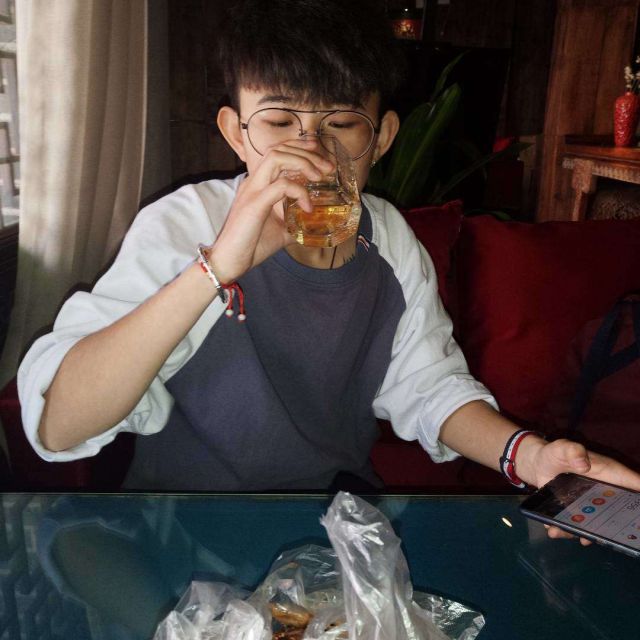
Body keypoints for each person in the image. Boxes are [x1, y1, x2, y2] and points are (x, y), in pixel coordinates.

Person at [17, 0, 640, 534]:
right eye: (279, 122)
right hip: (183, 521)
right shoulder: (185, 223)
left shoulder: (389, 241)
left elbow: (429, 387)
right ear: (236, 133)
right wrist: (219, 267)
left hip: (334, 524)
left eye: (341, 124)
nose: (312, 154)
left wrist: (531, 458)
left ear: (382, 138)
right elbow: (60, 423)